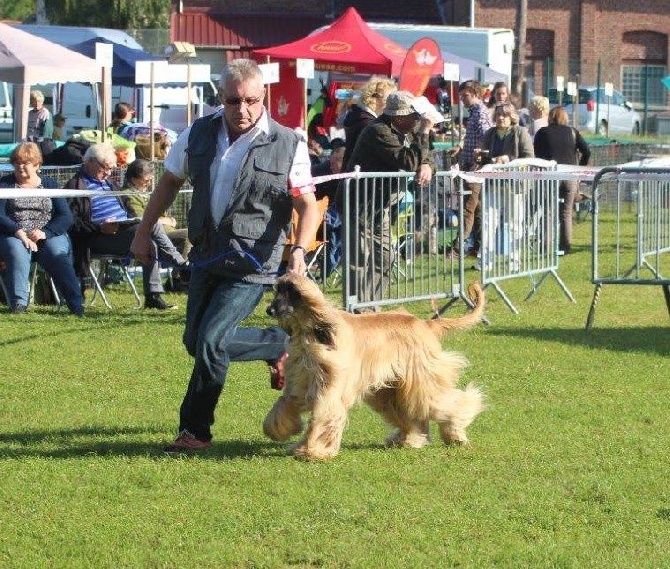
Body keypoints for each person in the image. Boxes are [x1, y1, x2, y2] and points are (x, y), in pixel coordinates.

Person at [130, 58, 320, 453]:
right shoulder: (198, 134)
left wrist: (299, 251)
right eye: (234, 101)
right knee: (195, 342)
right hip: (206, 255)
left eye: (251, 100)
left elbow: (307, 205)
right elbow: (168, 182)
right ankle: (274, 345)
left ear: (263, 95)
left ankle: (195, 431)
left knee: (212, 340)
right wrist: (143, 231)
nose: (243, 109)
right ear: (221, 99)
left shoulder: (289, 143)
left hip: (253, 263)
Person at [341, 91, 435, 309]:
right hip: (362, 205)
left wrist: (427, 164)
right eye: (414, 116)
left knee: (385, 256)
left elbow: (421, 158)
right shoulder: (378, 131)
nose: (417, 119)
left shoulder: (405, 131)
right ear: (399, 117)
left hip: (381, 206)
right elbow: (408, 161)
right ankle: (357, 311)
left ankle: (373, 307)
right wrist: (424, 132)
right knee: (360, 261)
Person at [65, 143, 188, 310]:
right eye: (105, 168)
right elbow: (72, 223)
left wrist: (131, 219)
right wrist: (99, 227)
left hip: (123, 230)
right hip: (97, 237)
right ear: (91, 162)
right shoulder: (74, 186)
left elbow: (128, 209)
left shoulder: (110, 183)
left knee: (148, 242)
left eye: (111, 169)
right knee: (150, 226)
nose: (108, 172)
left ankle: (154, 295)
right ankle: (181, 266)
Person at [0, 142, 83, 315]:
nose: (20, 167)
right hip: (14, 234)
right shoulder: (5, 184)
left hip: (48, 234)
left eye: (25, 163)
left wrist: (46, 232)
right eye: (17, 162)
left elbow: (65, 216)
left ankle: (76, 304)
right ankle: (18, 305)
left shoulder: (50, 184)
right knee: (16, 251)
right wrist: (18, 231)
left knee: (57, 253)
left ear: (37, 165)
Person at [478, 102, 534, 270]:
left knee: (515, 223)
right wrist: (482, 157)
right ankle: (485, 261)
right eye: (498, 115)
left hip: (515, 186)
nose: (501, 118)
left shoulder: (521, 132)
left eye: (505, 115)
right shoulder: (490, 133)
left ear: (512, 117)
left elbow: (529, 158)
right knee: (488, 222)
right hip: (493, 185)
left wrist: (508, 160)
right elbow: (485, 156)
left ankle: (514, 262)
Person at [124, 158, 192, 290]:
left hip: (166, 233)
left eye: (150, 180)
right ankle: (180, 278)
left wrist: (165, 219)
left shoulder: (146, 194)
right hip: (151, 235)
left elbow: (161, 213)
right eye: (146, 180)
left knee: (191, 235)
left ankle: (177, 277)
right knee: (187, 235)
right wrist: (164, 220)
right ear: (133, 179)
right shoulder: (128, 195)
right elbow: (141, 218)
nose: (149, 183)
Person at [533, 105, 591, 254]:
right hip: (570, 175)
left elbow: (536, 155)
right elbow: (587, 151)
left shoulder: (542, 133)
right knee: (566, 213)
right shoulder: (573, 132)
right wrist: (581, 168)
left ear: (550, 117)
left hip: (550, 174)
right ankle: (565, 247)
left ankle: (545, 247)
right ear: (565, 118)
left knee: (548, 211)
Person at [448, 79, 494, 257]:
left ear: (476, 94)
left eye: (465, 96)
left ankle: (458, 249)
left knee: (468, 208)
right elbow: (473, 135)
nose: (462, 99)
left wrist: (479, 154)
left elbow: (486, 135)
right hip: (470, 165)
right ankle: (478, 246)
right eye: (461, 96)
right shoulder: (475, 112)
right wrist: (461, 146)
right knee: (477, 209)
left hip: (475, 167)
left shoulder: (481, 112)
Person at [342, 76, 397, 169]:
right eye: (389, 100)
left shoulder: (358, 116)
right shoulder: (367, 123)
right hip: (360, 178)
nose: (392, 105)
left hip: (356, 176)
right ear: (374, 98)